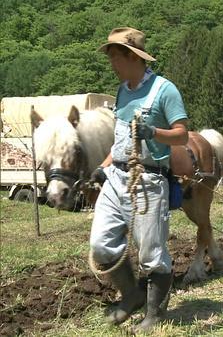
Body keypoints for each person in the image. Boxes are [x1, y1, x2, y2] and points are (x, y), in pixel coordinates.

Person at [88, 27, 189, 332]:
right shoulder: (122, 91)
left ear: (132, 57)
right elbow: (120, 142)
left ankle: (155, 314)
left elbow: (182, 133)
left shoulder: (164, 90)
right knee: (101, 244)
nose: (112, 65)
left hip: (147, 181)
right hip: (116, 178)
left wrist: (153, 133)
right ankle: (131, 295)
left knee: (151, 254)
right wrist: (103, 167)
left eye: (115, 58)